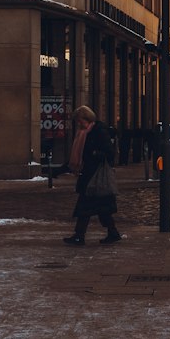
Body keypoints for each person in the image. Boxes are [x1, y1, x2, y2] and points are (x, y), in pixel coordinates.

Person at [57, 105, 121, 246]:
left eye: (80, 121)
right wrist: (61, 169)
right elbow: (78, 156)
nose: (79, 124)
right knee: (101, 208)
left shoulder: (98, 131)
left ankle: (80, 236)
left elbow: (109, 153)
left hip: (96, 176)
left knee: (85, 207)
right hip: (89, 175)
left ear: (87, 118)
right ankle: (112, 232)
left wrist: (95, 154)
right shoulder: (84, 133)